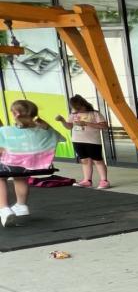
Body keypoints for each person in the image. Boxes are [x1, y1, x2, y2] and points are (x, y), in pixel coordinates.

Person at [0, 99, 60, 227]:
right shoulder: (45, 130)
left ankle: (4, 209)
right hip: (36, 165)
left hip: (14, 165)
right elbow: (57, 137)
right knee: (20, 177)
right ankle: (21, 205)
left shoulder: (6, 131)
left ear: (15, 114)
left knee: (1, 177)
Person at [55, 94, 110, 188]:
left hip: (93, 141)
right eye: (75, 108)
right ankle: (87, 180)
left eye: (78, 108)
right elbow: (69, 127)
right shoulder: (73, 115)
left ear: (84, 105)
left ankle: (104, 181)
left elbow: (104, 126)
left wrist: (86, 123)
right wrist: (62, 120)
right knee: (84, 161)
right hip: (77, 141)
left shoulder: (94, 114)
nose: (77, 110)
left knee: (97, 160)